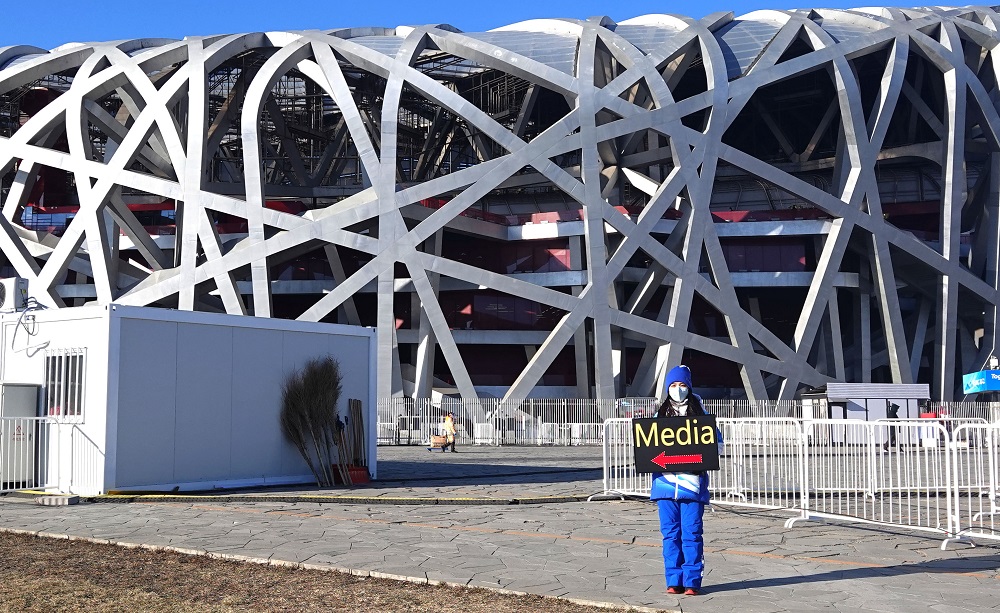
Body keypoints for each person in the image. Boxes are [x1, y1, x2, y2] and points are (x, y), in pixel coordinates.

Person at [650, 365, 711, 596]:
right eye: (673, 385)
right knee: (670, 534)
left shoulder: (701, 415)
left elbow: (718, 445)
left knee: (692, 533)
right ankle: (673, 580)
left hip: (692, 487)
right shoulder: (660, 415)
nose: (678, 389)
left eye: (682, 385)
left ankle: (692, 581)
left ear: (689, 386)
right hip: (665, 486)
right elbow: (648, 446)